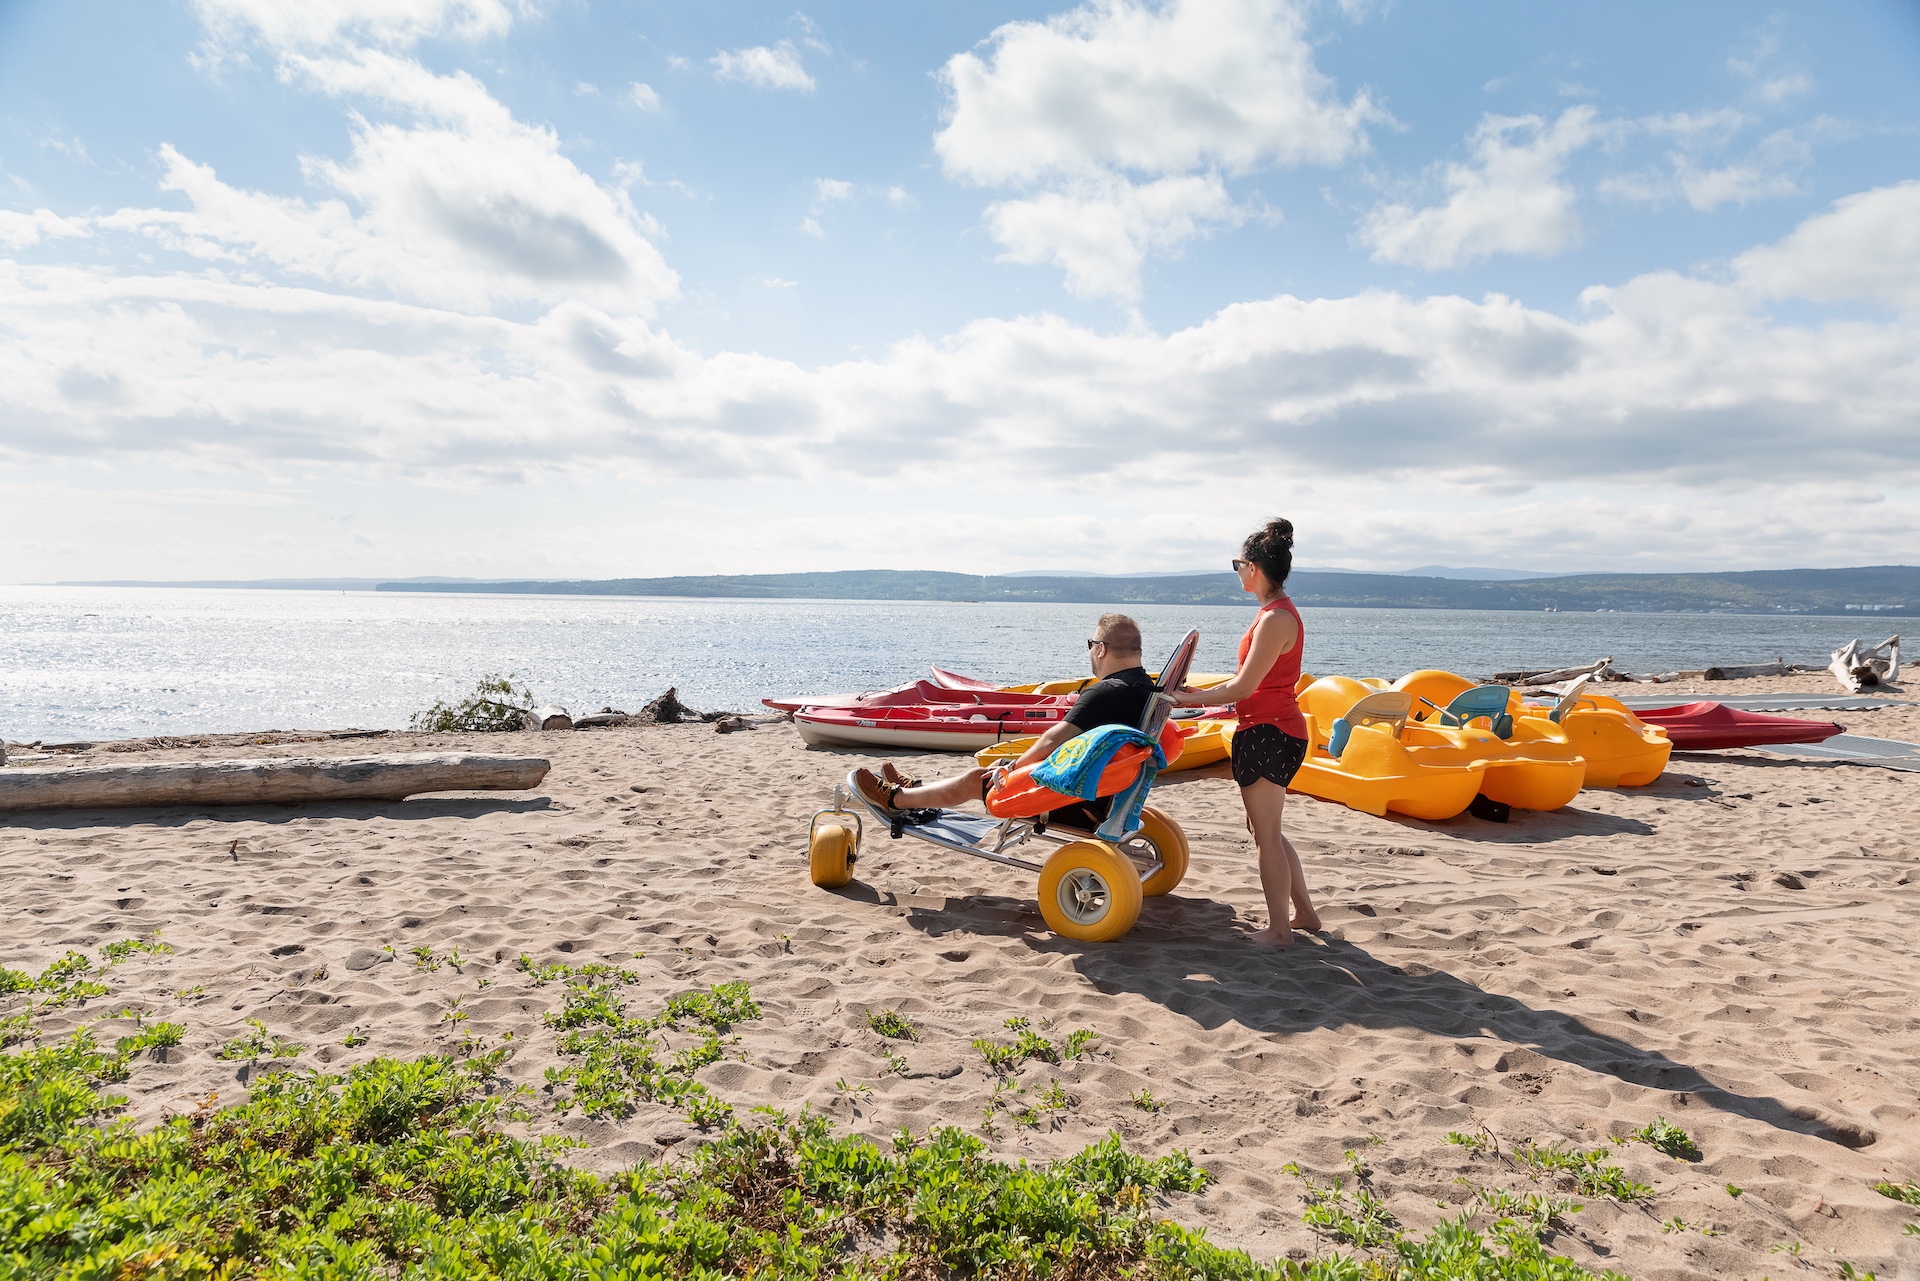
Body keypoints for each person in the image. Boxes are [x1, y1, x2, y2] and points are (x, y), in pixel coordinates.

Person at [1172, 518, 1320, 947]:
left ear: (1254, 567)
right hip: (1271, 729)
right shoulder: (1273, 614)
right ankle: (1306, 915)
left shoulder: (1275, 619)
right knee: (1265, 830)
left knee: (1267, 836)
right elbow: (1249, 686)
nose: (1237, 570)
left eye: (1238, 563)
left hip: (1270, 733)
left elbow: (1243, 687)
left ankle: (1279, 931)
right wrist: (1202, 694)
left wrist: (1182, 701)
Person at [852, 612, 1153, 821]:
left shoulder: (1105, 693)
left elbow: (1052, 739)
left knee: (977, 779)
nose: (1090, 652)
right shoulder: (1145, 688)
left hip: (1078, 798)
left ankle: (896, 799)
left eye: (1091, 645)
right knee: (993, 768)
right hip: (1105, 793)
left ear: (1100, 649)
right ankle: (917, 791)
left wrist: (1013, 769)